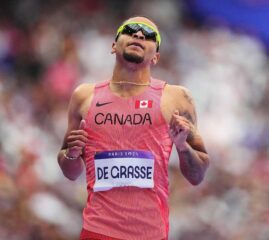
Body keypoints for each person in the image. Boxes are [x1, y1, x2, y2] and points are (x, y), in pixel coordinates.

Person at [57, 16, 210, 240]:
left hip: (150, 233)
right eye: (130, 31)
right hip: (98, 230)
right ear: (113, 45)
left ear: (156, 56)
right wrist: (71, 155)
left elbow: (197, 175)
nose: (139, 35)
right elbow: (70, 172)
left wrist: (183, 148)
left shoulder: (177, 98)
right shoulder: (84, 97)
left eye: (149, 36)